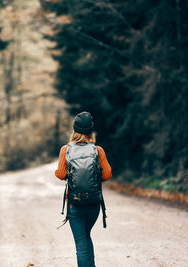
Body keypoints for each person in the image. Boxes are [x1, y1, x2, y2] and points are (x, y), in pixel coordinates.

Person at [55, 111, 112, 267]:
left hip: (75, 204)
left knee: (81, 244)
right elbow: (107, 175)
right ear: (90, 131)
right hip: (94, 204)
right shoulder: (97, 150)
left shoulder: (65, 150)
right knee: (86, 237)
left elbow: (60, 175)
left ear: (75, 130)